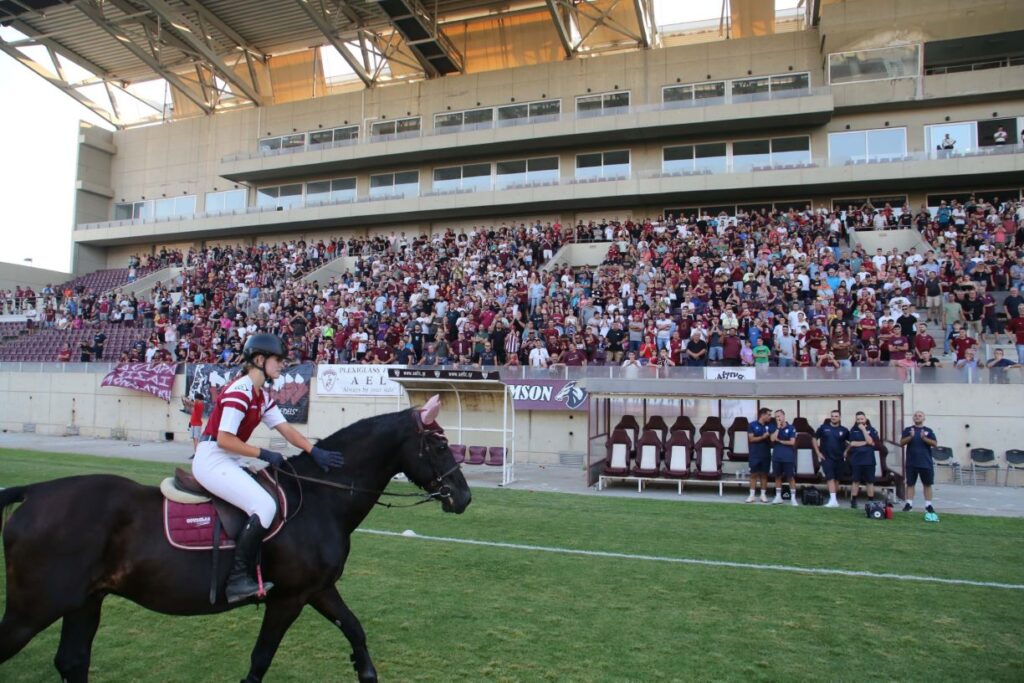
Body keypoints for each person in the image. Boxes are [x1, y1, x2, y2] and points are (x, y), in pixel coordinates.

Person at [191, 334, 344, 603]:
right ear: (259, 360)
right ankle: (237, 580)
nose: (282, 365)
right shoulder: (240, 391)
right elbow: (225, 439)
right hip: (212, 458)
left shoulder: (261, 396)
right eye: (278, 360)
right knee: (264, 506)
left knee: (272, 494)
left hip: (228, 458)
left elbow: (286, 430)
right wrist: (262, 453)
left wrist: (314, 451)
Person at [900, 411, 937, 515]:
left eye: (920, 416)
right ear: (913, 418)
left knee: (927, 484)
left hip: (926, 462)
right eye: (915, 415)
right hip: (911, 462)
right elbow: (901, 443)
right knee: (910, 483)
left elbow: (934, 444)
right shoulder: (908, 430)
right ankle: (909, 504)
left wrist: (924, 438)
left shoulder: (928, 431)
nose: (917, 417)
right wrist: (910, 437)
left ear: (924, 418)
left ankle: (928, 505)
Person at [814, 410, 850, 508]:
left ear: (840, 417)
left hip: (839, 458)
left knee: (837, 479)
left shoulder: (844, 430)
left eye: (836, 416)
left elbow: (852, 442)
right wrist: (818, 452)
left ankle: (834, 499)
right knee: (830, 478)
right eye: (832, 416)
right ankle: (833, 500)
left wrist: (846, 451)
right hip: (826, 458)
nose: (834, 417)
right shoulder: (823, 428)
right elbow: (814, 438)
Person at [845, 411, 879, 509]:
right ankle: (853, 500)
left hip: (869, 460)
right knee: (856, 481)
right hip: (856, 460)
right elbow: (852, 444)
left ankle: (871, 501)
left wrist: (864, 430)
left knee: (870, 481)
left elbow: (872, 442)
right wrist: (866, 442)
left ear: (865, 419)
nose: (860, 421)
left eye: (862, 419)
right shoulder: (853, 430)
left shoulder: (872, 430)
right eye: (858, 419)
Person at [769, 409, 798, 506]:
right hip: (777, 456)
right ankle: (778, 497)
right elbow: (773, 439)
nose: (778, 418)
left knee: (790, 477)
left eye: (779, 416)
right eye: (776, 417)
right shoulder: (773, 427)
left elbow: (792, 442)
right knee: (777, 476)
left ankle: (793, 498)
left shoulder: (791, 428)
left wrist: (780, 441)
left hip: (788, 457)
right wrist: (778, 428)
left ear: (784, 416)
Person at [746, 407, 772, 503]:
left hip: (766, 454)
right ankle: (751, 495)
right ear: (762, 415)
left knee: (764, 475)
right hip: (755, 454)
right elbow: (751, 439)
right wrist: (763, 437)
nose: (770, 417)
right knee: (753, 475)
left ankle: (763, 495)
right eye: (768, 415)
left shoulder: (770, 426)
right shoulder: (752, 425)